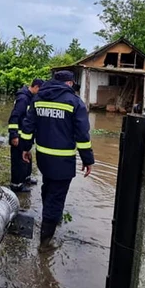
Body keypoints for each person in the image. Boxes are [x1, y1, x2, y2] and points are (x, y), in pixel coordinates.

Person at [20, 70, 94, 247]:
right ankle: (45, 242)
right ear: (69, 83)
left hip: (43, 157)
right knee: (57, 196)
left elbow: (27, 126)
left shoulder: (38, 99)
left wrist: (25, 148)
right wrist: (88, 159)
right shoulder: (75, 102)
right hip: (63, 160)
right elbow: (82, 135)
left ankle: (49, 218)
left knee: (48, 186)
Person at [7, 78, 44, 192]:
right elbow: (14, 117)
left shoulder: (30, 98)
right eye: (40, 90)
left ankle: (26, 178)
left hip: (27, 135)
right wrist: (13, 135)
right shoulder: (23, 98)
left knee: (27, 157)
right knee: (18, 160)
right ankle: (16, 185)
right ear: (36, 87)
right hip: (19, 135)